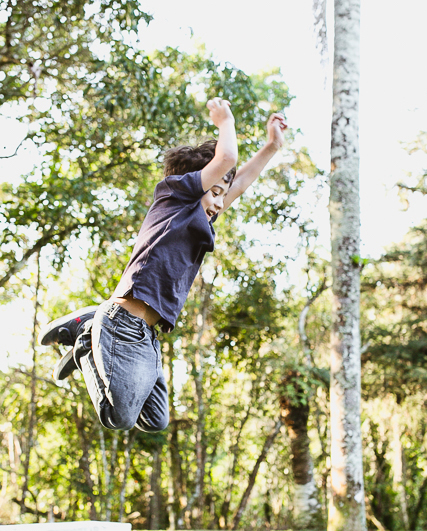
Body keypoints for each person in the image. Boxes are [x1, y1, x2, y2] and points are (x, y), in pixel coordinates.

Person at [41, 97, 287, 432]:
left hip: (146, 334)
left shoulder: (199, 217)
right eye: (214, 191)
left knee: (154, 421)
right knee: (118, 418)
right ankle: (87, 339)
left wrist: (272, 146)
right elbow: (227, 159)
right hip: (123, 322)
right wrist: (225, 122)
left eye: (222, 194)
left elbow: (239, 182)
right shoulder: (176, 196)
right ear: (196, 183)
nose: (219, 202)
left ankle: (88, 325)